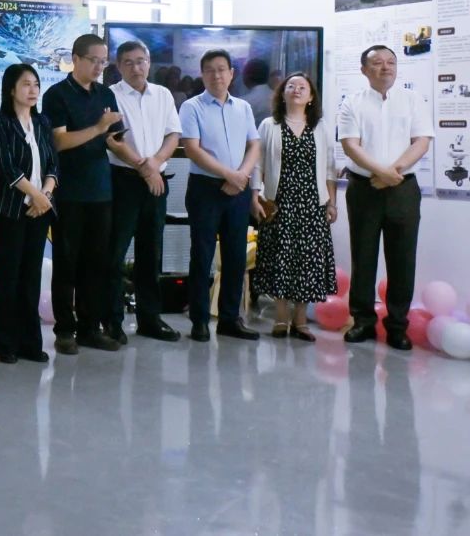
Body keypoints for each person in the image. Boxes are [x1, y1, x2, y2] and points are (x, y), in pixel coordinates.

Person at [336, 45, 432, 350]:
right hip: (365, 188)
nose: (386, 67)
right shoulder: (352, 102)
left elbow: (421, 141)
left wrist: (393, 173)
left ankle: (398, 326)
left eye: (391, 62)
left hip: (403, 188)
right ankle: (362, 321)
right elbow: (351, 145)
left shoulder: (413, 100)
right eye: (377, 63)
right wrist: (380, 173)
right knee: (363, 256)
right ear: (364, 70)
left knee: (402, 258)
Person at [41, 33, 128, 353]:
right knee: (67, 263)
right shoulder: (57, 95)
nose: (99, 67)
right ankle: (65, 330)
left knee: (96, 263)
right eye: (94, 60)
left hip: (101, 189)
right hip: (69, 191)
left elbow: (113, 139)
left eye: (103, 62)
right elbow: (59, 141)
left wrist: (141, 161)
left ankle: (91, 328)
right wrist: (99, 128)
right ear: (75, 59)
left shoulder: (105, 93)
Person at [179, 49, 262, 342]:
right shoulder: (191, 107)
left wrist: (241, 176)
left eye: (222, 69)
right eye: (210, 70)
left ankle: (229, 319)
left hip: (238, 190)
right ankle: (200, 320)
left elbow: (254, 145)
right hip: (205, 189)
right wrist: (230, 175)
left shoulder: (244, 107)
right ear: (202, 74)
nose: (217, 75)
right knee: (202, 256)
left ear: (231, 73)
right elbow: (192, 149)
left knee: (236, 256)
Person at [251, 72, 338, 342]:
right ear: (282, 93)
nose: (296, 90)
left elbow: (330, 168)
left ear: (311, 97)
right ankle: (280, 317)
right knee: (280, 258)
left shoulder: (320, 127)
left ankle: (300, 321)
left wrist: (332, 202)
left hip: (312, 204)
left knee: (308, 261)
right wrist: (255, 196)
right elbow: (258, 164)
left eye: (302, 87)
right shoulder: (269, 125)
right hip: (279, 203)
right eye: (291, 86)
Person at [107, 40, 183, 343]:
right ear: (119, 66)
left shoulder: (162, 94)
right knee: (114, 254)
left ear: (149, 63)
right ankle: (112, 321)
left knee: (151, 253)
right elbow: (113, 140)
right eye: (128, 62)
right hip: (123, 181)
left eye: (141, 61)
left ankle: (150, 319)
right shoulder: (110, 95)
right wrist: (145, 167)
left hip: (157, 182)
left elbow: (173, 134)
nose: (136, 68)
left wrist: (156, 163)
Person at [0, 63, 57, 363]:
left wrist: (46, 195)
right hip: (11, 208)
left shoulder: (42, 122)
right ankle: (5, 344)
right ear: (11, 89)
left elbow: (53, 164)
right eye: (26, 84)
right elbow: (5, 166)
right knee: (9, 275)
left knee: (31, 276)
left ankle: (30, 343)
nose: (33, 90)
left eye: (36, 84)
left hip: (41, 209)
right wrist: (35, 195)